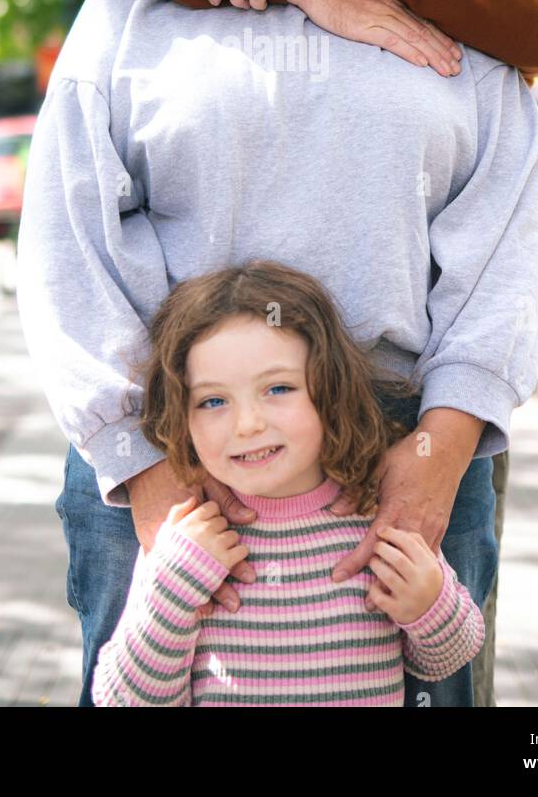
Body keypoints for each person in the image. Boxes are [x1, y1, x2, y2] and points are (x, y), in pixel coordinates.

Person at [16, 0, 538, 711]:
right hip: (174, 442)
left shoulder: (468, 8)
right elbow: (66, 242)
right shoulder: (140, 0)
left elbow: (503, 261)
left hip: (402, 447)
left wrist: (438, 456)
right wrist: (137, 464)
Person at [92, 260, 485, 707]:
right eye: (213, 400)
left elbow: (446, 659)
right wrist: (171, 590)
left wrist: (428, 604)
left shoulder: (381, 518)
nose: (248, 423)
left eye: (278, 389)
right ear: (181, 417)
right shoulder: (187, 540)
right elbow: (125, 700)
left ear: (329, 388)